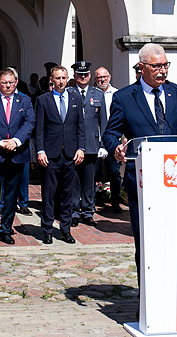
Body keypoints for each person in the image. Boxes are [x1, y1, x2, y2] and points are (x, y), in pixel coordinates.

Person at [104, 43, 177, 270]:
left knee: (174, 239)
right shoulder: (125, 97)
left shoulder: (176, 93)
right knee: (146, 240)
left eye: (165, 65)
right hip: (142, 180)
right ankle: (146, 297)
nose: (163, 71)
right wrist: (115, 147)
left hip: (176, 179)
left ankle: (173, 290)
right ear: (142, 67)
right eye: (157, 66)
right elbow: (110, 133)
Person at [0, 67, 35, 246]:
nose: (7, 86)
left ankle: (5, 229)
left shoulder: (25, 101)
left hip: (17, 155)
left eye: (11, 82)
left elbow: (30, 122)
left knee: (11, 196)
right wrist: (0, 142)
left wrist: (16, 141)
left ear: (16, 82)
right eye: (4, 83)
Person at [35, 65, 85, 244]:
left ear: (67, 78)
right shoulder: (43, 100)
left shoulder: (76, 98)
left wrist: (81, 148)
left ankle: (65, 229)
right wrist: (40, 151)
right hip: (50, 154)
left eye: (64, 78)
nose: (61, 81)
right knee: (49, 194)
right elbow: (39, 129)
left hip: (71, 154)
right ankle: (47, 229)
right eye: (57, 78)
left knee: (68, 194)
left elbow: (80, 126)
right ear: (51, 79)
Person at [69, 61, 106, 227]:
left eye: (85, 74)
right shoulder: (69, 93)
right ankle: (74, 211)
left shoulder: (97, 94)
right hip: (73, 144)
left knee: (89, 181)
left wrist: (103, 144)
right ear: (75, 76)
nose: (82, 77)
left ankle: (88, 211)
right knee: (74, 180)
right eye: (79, 74)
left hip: (92, 143)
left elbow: (103, 121)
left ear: (90, 76)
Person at [94, 66, 121, 211]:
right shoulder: (91, 94)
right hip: (95, 137)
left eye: (104, 77)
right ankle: (91, 203)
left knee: (114, 172)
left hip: (112, 138)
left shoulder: (117, 94)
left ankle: (115, 202)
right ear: (95, 79)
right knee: (93, 172)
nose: (102, 80)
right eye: (99, 77)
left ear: (109, 77)